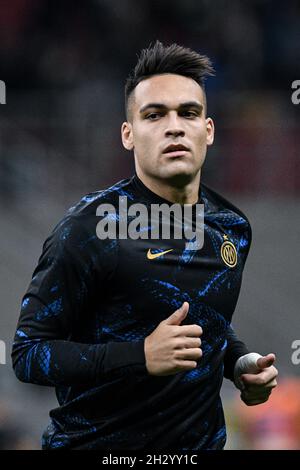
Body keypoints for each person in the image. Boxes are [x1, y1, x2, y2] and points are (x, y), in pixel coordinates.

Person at [12, 41, 278, 450]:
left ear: (208, 131)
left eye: (188, 113)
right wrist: (139, 354)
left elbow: (207, 323)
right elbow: (28, 355)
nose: (174, 126)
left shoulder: (232, 228)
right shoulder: (89, 228)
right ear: (128, 134)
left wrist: (238, 362)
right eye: (154, 115)